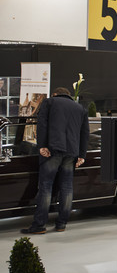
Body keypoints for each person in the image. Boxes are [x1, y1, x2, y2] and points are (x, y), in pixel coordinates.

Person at [21, 87, 90, 234]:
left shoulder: (49, 102)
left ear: (55, 94)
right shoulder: (80, 108)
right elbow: (85, 133)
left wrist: (42, 146)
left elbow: (42, 124)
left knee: (46, 187)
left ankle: (39, 225)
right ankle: (61, 224)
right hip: (71, 152)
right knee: (66, 187)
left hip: (52, 150)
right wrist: (82, 155)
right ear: (69, 95)